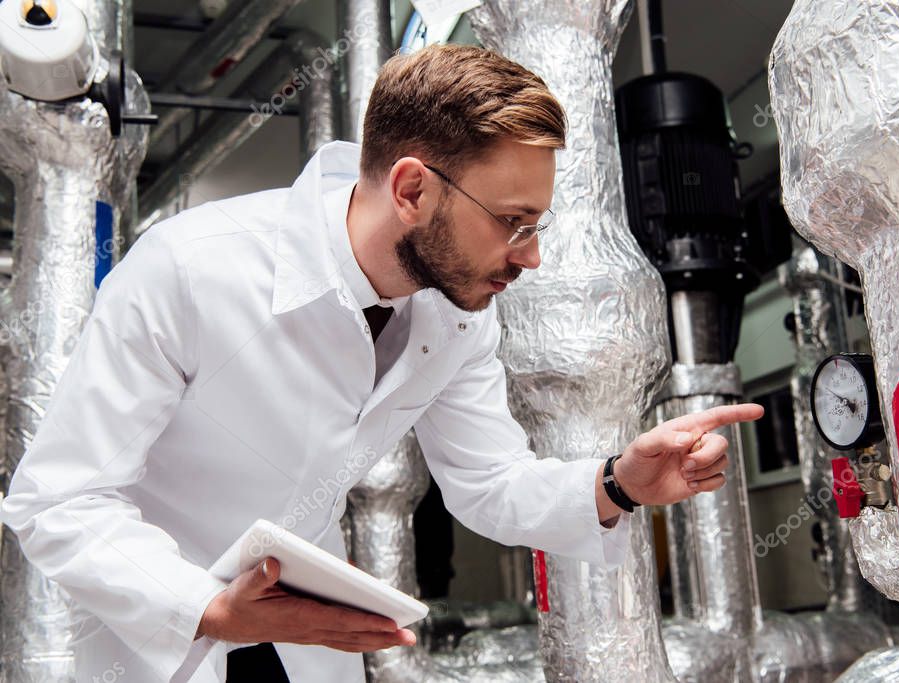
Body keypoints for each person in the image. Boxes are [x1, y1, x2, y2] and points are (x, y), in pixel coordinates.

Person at [1, 44, 763, 682]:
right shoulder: (190, 268)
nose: (529, 256)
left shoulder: (454, 316)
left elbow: (488, 483)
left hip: (308, 651)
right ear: (410, 188)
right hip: (157, 643)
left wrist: (615, 482)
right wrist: (204, 608)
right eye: (511, 222)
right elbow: (59, 500)